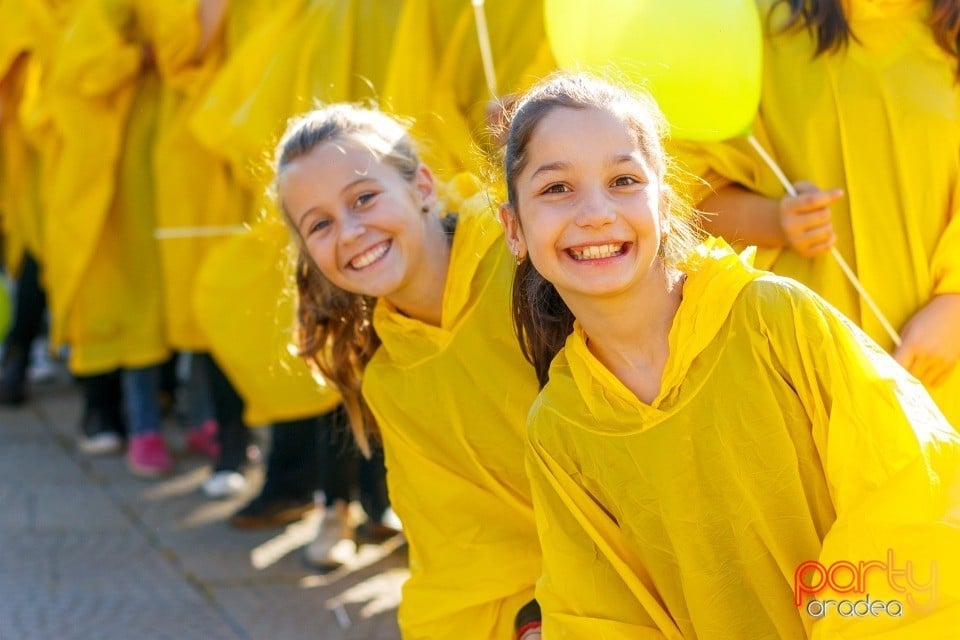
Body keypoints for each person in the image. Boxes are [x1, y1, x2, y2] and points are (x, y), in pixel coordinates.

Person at [499, 72, 960, 638]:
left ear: (664, 204)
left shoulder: (775, 318)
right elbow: (602, 614)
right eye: (556, 188)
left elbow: (911, 492)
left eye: (623, 180)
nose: (595, 212)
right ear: (513, 228)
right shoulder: (559, 427)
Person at [274, 104, 542, 639]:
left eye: (364, 198)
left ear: (421, 186)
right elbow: (456, 555)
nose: (349, 232)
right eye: (320, 224)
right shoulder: (388, 377)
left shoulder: (526, 267)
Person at [670, 0, 960, 427]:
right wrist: (774, 220)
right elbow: (682, 199)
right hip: (800, 371)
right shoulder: (755, 28)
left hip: (940, 368)